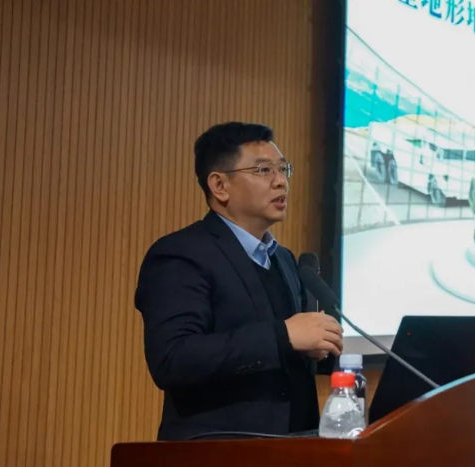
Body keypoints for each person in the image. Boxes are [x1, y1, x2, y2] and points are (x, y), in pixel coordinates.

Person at [134, 121, 343, 441]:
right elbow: (173, 359)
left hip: (296, 448)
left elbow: (283, 354)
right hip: (216, 451)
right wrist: (284, 336)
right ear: (219, 185)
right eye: (263, 170)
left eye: (283, 168)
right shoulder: (181, 254)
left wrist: (318, 346)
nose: (281, 181)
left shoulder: (284, 259)